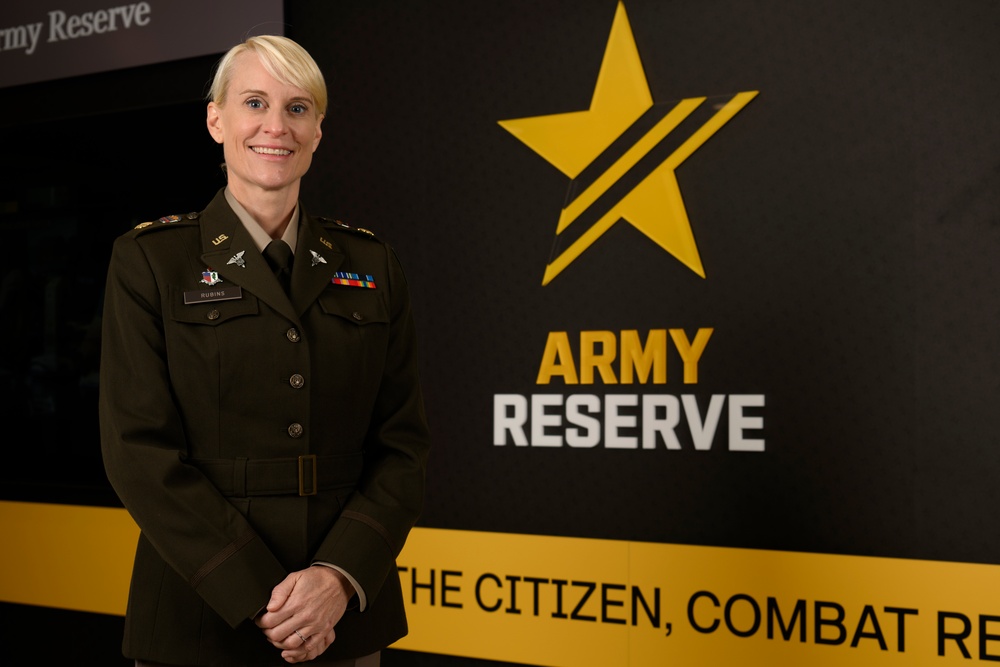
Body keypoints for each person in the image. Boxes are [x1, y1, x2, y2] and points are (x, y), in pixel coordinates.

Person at [99, 34, 431, 667]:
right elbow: (137, 452)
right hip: (201, 610)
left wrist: (336, 579)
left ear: (318, 129)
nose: (276, 126)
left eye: (298, 108)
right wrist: (261, 595)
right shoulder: (150, 261)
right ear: (216, 119)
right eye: (255, 102)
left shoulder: (373, 263)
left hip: (341, 618)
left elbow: (403, 445)